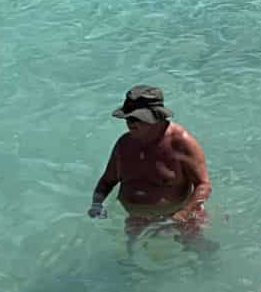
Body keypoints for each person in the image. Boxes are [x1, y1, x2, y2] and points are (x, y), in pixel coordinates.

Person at [89, 86, 212, 240]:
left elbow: (204, 185)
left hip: (179, 217)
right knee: (131, 258)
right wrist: (96, 204)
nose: (130, 123)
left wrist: (182, 215)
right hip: (136, 219)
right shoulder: (124, 144)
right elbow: (107, 181)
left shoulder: (181, 143)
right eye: (128, 117)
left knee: (197, 251)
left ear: (156, 117)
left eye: (136, 118)